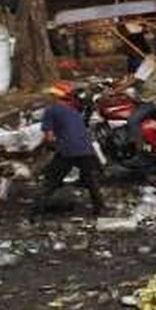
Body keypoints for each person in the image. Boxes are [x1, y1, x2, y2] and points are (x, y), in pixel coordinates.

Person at [36, 83, 104, 216]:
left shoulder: (51, 110)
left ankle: (35, 211)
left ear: (54, 97)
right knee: (90, 180)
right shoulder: (73, 111)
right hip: (86, 148)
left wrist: (48, 148)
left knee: (51, 179)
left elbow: (49, 137)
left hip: (68, 149)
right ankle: (99, 208)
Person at [112, 32, 156, 158]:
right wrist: (117, 85)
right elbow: (133, 78)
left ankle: (140, 153)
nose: (125, 50)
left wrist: (115, 91)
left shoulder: (149, 61)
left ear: (135, 47)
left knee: (133, 120)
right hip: (145, 97)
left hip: (152, 100)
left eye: (127, 47)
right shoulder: (144, 60)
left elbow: (135, 80)